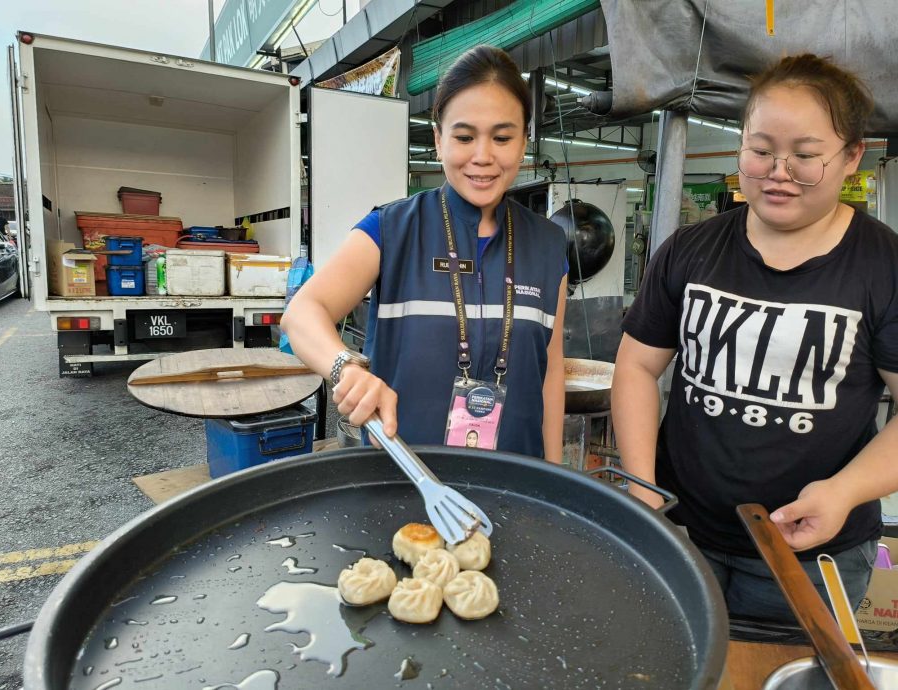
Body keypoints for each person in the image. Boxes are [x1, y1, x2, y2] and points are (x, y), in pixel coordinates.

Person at [612, 54, 898, 622]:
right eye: (761, 150)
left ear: (851, 157)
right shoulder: (692, 249)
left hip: (811, 557)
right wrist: (642, 485)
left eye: (807, 156)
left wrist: (843, 492)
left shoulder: (882, 264)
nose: (778, 171)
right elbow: (637, 367)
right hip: (682, 531)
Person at [282, 45, 568, 460]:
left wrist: (556, 483)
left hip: (517, 485)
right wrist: (346, 366)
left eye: (502, 137)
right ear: (438, 139)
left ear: (524, 140)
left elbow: (551, 369)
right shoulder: (390, 229)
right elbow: (302, 312)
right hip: (404, 480)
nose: (483, 156)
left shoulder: (548, 244)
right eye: (464, 136)